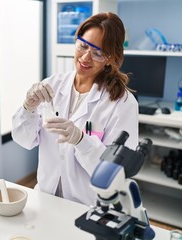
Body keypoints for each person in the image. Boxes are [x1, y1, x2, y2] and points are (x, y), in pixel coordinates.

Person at [12, 12, 138, 206]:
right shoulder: (53, 84)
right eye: (83, 45)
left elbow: (116, 174)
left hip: (87, 208)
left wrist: (81, 141)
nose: (86, 57)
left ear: (110, 58)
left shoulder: (122, 104)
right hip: (45, 200)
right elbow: (24, 139)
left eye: (98, 53)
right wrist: (28, 107)